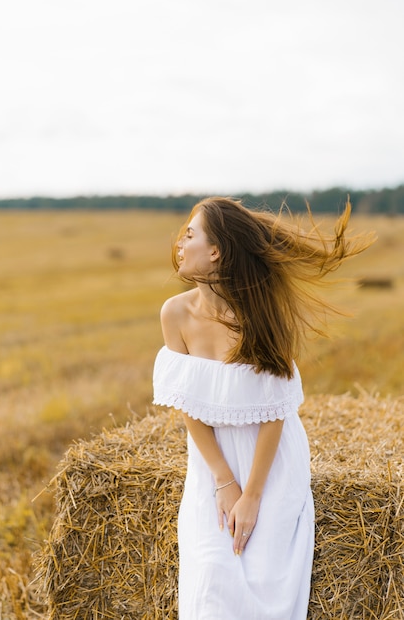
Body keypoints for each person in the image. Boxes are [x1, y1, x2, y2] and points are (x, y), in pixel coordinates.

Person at [152, 196, 373, 620]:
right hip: (211, 463)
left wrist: (252, 494)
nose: (180, 243)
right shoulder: (174, 314)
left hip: (268, 462)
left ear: (216, 251)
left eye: (190, 234)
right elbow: (188, 406)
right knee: (211, 582)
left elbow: (275, 413)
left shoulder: (260, 316)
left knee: (267, 590)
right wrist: (223, 480)